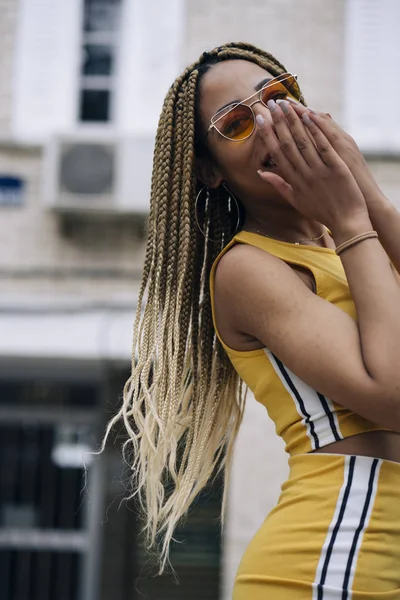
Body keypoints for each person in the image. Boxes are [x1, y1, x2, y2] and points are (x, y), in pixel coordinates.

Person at [105, 42, 400, 597]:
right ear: (210, 173)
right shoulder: (247, 269)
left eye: (278, 96)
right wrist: (354, 219)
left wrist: (372, 201)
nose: (269, 121)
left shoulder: (356, 244)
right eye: (237, 121)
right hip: (335, 561)